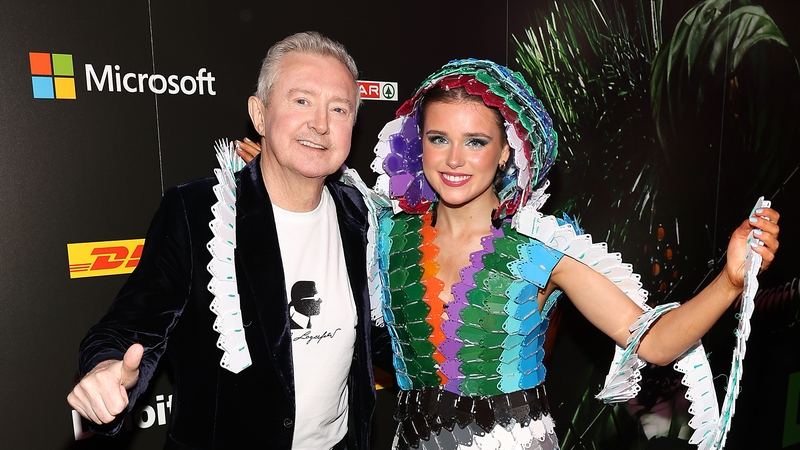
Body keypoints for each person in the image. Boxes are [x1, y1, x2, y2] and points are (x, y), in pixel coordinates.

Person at [366, 59, 779, 449]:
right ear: (418, 143)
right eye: (439, 139)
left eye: (476, 141)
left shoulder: (542, 246)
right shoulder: (385, 235)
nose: (454, 159)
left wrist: (730, 281)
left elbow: (653, 342)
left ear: (506, 151)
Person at [67, 31, 390, 450]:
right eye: (302, 100)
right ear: (259, 114)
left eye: (339, 109)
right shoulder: (198, 210)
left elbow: (379, 336)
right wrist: (106, 367)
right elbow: (128, 327)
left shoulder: (360, 215)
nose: (321, 124)